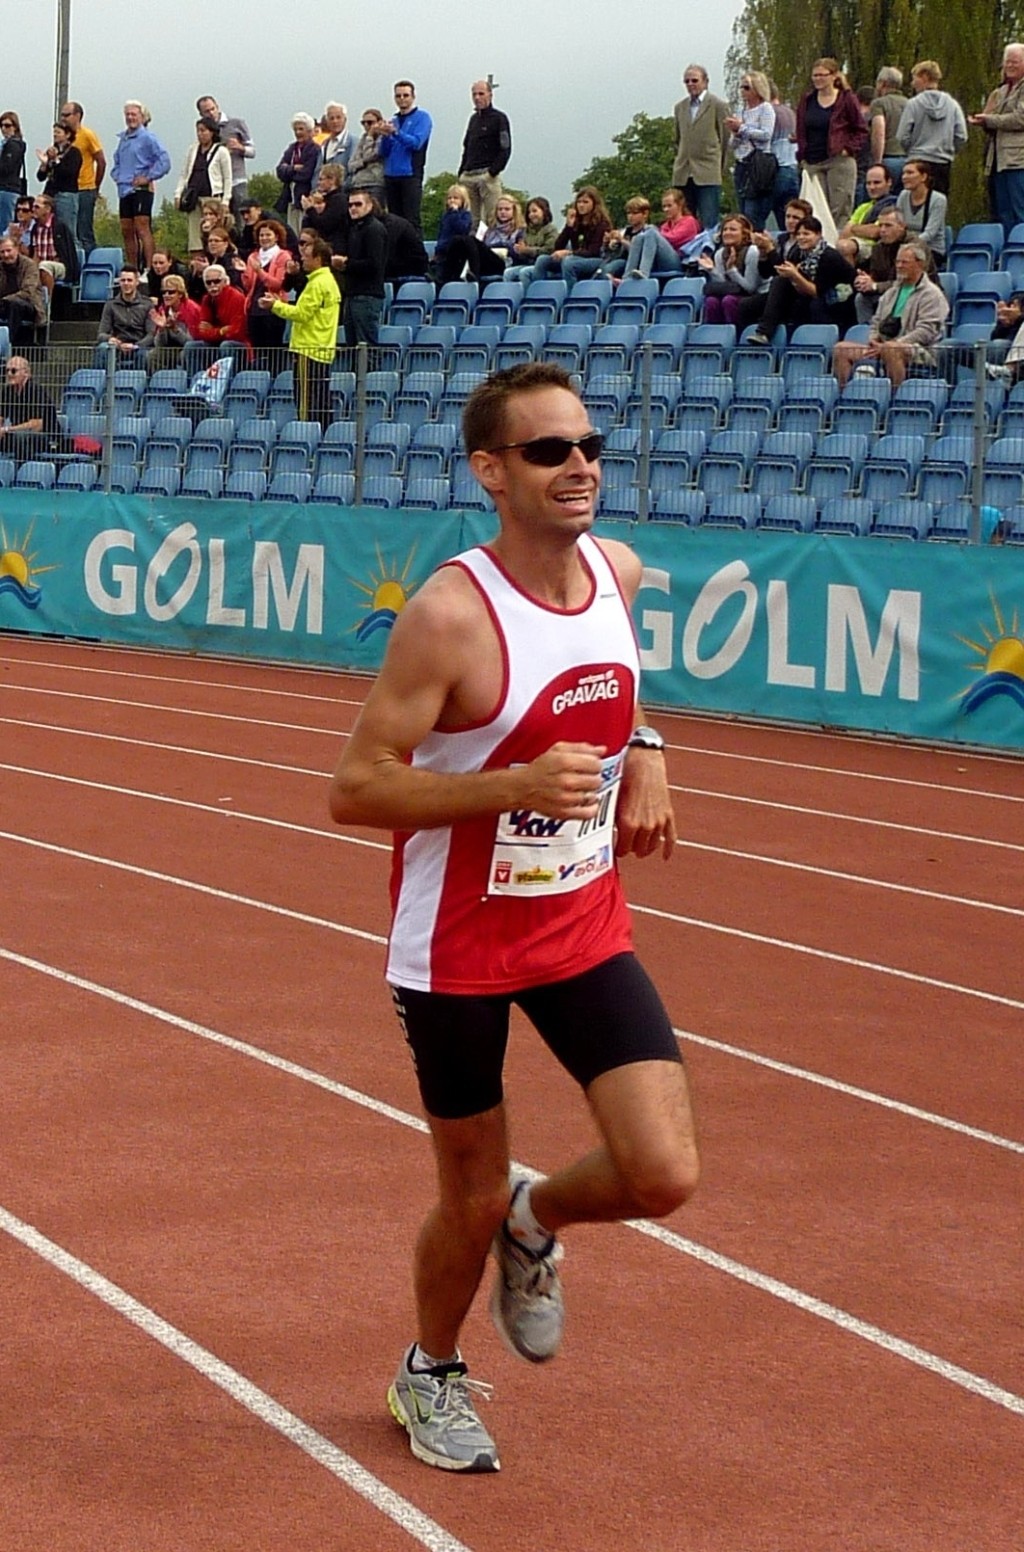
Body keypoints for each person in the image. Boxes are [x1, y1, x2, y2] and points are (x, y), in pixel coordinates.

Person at [328, 360, 699, 1476]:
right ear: (491, 470)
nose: (578, 465)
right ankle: (428, 1370)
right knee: (466, 1188)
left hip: (582, 921)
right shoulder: (450, 615)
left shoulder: (617, 571)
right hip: (457, 947)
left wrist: (648, 751)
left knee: (660, 1173)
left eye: (587, 444)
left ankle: (535, 1223)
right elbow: (355, 787)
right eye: (548, 450)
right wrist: (512, 786)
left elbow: (618, 681)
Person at [834, 239, 948, 387]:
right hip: (883, 346)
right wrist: (874, 339)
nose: (899, 266)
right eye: (898, 262)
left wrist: (894, 344)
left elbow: (926, 331)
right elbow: (876, 321)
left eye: (905, 262)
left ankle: (895, 398)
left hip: (920, 351)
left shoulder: (932, 294)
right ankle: (846, 397)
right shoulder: (891, 292)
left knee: (891, 350)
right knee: (841, 349)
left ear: (920, 264)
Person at [261, 231, 340, 424]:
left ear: (318, 259)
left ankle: (308, 437)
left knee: (306, 401)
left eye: (306, 256)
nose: (302, 259)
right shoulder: (329, 281)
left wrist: (275, 305)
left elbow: (301, 314)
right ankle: (322, 435)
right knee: (320, 399)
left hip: (308, 349)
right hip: (322, 347)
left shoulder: (316, 284)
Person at [746, 214, 856, 342]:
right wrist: (764, 252)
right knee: (748, 304)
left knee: (791, 292)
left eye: (806, 234)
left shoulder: (829, 256)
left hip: (834, 300)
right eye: (799, 234)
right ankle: (754, 337)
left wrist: (794, 275)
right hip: (805, 294)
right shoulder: (798, 252)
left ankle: (766, 333)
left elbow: (816, 292)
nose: (801, 238)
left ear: (819, 235)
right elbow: (774, 271)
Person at [795, 59, 866, 226]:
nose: (818, 79)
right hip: (812, 160)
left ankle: (838, 244)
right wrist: (801, 154)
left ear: (834, 76)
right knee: (814, 208)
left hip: (838, 160)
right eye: (815, 75)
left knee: (839, 208)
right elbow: (801, 128)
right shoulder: (807, 100)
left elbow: (861, 129)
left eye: (822, 75)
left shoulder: (846, 99)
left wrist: (848, 148)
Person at [969, 43, 1024, 238]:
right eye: (1007, 61)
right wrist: (983, 121)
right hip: (998, 160)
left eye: (1015, 61)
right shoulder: (1001, 91)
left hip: (1018, 159)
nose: (1010, 65)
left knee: (1020, 209)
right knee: (1003, 212)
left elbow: (1020, 118)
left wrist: (989, 119)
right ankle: (1008, 250)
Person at [111, 101, 171, 269]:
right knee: (126, 229)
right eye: (128, 114)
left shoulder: (148, 138)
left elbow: (164, 160)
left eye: (134, 114)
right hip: (124, 190)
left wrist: (149, 177)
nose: (130, 118)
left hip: (141, 189)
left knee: (142, 227)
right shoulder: (123, 139)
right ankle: (132, 267)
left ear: (142, 117)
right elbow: (117, 161)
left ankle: (149, 268)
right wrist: (116, 175)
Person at [671, 64, 728, 232]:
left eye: (694, 80)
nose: (690, 84)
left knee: (710, 221)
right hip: (683, 172)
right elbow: (678, 139)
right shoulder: (680, 107)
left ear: (705, 82)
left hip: (707, 173)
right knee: (685, 222)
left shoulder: (718, 105)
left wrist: (718, 167)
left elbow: (725, 140)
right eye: (687, 81)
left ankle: (707, 255)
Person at [896, 61, 967, 195]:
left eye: (914, 78)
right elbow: (961, 135)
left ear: (924, 76)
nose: (912, 83)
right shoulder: (952, 105)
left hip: (918, 161)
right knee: (938, 203)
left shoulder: (913, 104)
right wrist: (949, 150)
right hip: (943, 162)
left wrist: (912, 150)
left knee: (916, 204)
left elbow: (902, 135)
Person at [378, 80, 432, 235]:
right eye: (398, 96)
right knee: (394, 220)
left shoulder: (423, 118)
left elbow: (416, 143)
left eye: (405, 95)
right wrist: (385, 135)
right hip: (391, 175)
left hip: (410, 174)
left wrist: (396, 133)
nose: (402, 99)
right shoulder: (393, 120)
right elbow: (384, 151)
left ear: (413, 97)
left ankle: (416, 255)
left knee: (411, 219)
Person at [533, 186, 612, 291]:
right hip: (574, 257)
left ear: (594, 204)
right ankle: (539, 293)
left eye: (585, 202)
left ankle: (571, 295)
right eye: (579, 202)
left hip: (594, 260)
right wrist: (568, 227)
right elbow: (558, 246)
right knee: (542, 260)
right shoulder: (576, 222)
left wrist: (569, 253)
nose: (581, 205)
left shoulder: (601, 224)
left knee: (569, 262)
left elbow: (593, 251)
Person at [457, 80, 512, 226]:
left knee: (492, 219)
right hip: (468, 176)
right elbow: (467, 147)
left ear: (490, 95)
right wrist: (461, 173)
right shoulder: (473, 119)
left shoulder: (499, 118)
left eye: (481, 94)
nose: (477, 98)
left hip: (487, 175)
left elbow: (505, 148)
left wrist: (492, 173)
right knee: (471, 221)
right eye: (474, 94)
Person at [175, 117, 232, 255]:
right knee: (195, 236)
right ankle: (197, 261)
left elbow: (227, 177)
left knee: (214, 233)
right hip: (194, 198)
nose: (200, 134)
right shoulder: (193, 150)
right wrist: (178, 194)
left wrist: (225, 201)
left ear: (212, 132)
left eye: (203, 131)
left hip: (212, 198)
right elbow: (184, 174)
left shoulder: (221, 151)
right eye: (198, 131)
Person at [726, 71, 776, 228]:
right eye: (741, 87)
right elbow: (733, 144)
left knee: (752, 211)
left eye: (747, 87)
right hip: (741, 164)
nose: (743, 91)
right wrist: (735, 133)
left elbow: (766, 135)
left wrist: (742, 128)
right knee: (741, 210)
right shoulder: (740, 110)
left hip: (758, 164)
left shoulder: (765, 109)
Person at [336, 191, 387, 345]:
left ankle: (369, 370)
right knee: (352, 345)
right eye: (350, 205)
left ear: (370, 206)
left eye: (358, 204)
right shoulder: (354, 229)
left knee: (366, 346)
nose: (353, 208)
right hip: (353, 293)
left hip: (367, 295)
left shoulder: (374, 229)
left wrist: (346, 263)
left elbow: (374, 264)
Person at [241, 217, 292, 362]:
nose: (264, 238)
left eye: (268, 234)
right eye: (261, 235)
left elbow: (277, 284)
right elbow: (249, 285)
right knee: (258, 349)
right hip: (254, 308)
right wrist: (244, 274)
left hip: (274, 308)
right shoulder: (253, 256)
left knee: (273, 350)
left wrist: (260, 271)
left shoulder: (283, 256)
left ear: (276, 237)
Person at [196, 96, 254, 219]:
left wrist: (240, 147)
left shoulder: (236, 123)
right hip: (216, 185)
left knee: (242, 218)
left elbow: (252, 151)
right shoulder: (204, 131)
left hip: (237, 179)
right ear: (201, 114)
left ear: (217, 107)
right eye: (206, 111)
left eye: (213, 109)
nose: (211, 113)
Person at [698, 213, 762, 325]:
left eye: (733, 229)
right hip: (734, 293)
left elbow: (750, 288)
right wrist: (712, 270)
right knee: (711, 301)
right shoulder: (720, 254)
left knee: (729, 300)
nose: (727, 233)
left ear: (744, 234)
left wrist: (731, 270)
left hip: (755, 298)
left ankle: (735, 334)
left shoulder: (752, 252)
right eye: (725, 229)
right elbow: (725, 286)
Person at [60, 102, 105, 255]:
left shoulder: (87, 135)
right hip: (68, 189)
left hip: (85, 188)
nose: (63, 119)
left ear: (77, 116)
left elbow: (101, 161)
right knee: (69, 231)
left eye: (67, 115)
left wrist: (95, 186)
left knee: (84, 230)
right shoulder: (63, 138)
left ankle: (90, 265)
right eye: (62, 115)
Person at [851, 207, 908, 324]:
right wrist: (866, 280)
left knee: (891, 299)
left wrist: (875, 286)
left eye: (888, 226)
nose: (882, 230)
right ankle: (867, 333)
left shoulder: (914, 248)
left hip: (913, 294)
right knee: (861, 299)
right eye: (880, 225)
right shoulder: (878, 248)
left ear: (902, 227)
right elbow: (876, 277)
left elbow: (906, 284)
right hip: (887, 292)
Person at [0, 354, 59, 458]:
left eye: (13, 371)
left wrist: (7, 429)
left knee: (20, 437)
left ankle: (24, 469)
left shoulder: (36, 391)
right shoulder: (7, 391)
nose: (9, 374)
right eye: (7, 371)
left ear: (26, 373)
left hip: (45, 437)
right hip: (17, 433)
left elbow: (37, 425)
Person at [95, 265, 156, 365]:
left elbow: (151, 334)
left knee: (144, 354)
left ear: (137, 282)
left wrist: (135, 345)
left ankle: (139, 380)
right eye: (123, 280)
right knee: (102, 348)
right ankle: (99, 379)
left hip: (138, 347)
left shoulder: (147, 304)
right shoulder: (111, 304)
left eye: (129, 280)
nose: (126, 283)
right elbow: (101, 334)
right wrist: (111, 339)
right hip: (117, 346)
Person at [895, 158, 948, 266]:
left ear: (923, 177)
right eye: (903, 173)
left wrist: (907, 246)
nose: (904, 177)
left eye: (910, 173)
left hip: (931, 249)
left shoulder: (938, 200)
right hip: (905, 246)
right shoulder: (903, 195)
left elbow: (930, 233)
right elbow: (898, 225)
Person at [277, 114, 321, 236]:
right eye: (295, 129)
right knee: (292, 231)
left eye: (301, 129)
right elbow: (279, 171)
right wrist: (294, 168)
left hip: (304, 197)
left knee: (304, 231)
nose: (298, 132)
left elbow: (306, 174)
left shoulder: (314, 149)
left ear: (309, 130)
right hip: (291, 199)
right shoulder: (292, 149)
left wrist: (288, 171)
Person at [147, 273, 202, 370]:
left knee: (185, 354)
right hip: (172, 349)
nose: (166, 295)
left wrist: (175, 329)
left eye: (171, 292)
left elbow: (191, 342)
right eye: (164, 292)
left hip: (191, 349)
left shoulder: (192, 309)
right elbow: (160, 345)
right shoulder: (163, 309)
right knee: (153, 355)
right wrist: (162, 329)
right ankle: (157, 384)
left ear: (180, 294)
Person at [26, 194, 80, 292]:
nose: (33, 209)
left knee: (44, 266)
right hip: (42, 265)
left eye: (37, 207)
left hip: (61, 266)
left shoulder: (59, 227)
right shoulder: (35, 229)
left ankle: (47, 302)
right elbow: (35, 253)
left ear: (47, 209)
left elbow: (67, 253)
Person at [840, 163, 898, 253]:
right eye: (868, 183)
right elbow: (845, 233)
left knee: (845, 247)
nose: (872, 187)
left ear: (889, 182)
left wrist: (854, 228)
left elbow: (875, 232)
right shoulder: (863, 207)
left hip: (878, 248)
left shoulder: (894, 204)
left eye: (877, 183)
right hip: (856, 244)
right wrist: (862, 229)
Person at [35, 122, 81, 233]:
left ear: (68, 134)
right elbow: (40, 177)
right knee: (50, 229)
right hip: (50, 194)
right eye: (54, 132)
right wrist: (44, 164)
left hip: (66, 195)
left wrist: (56, 160)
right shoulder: (51, 151)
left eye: (58, 132)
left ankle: (73, 250)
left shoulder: (74, 153)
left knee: (67, 231)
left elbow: (69, 172)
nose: (55, 135)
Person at [868, 68, 909, 189]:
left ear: (883, 83)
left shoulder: (879, 103)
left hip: (888, 157)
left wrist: (877, 162)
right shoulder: (910, 103)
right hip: (909, 160)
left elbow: (879, 132)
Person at [0, 235, 44, 344]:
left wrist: (6, 300)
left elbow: (28, 291)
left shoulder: (29, 266)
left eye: (9, 251)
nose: (6, 255)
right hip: (3, 304)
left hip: (27, 305)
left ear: (17, 249)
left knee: (15, 304)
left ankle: (7, 343)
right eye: (2, 252)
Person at [504, 197, 559, 284]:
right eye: (529, 212)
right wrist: (519, 251)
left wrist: (527, 250)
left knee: (525, 272)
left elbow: (549, 250)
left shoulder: (551, 229)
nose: (531, 215)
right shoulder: (526, 231)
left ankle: (528, 296)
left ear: (544, 212)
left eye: (534, 211)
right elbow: (523, 253)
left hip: (545, 266)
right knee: (508, 273)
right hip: (528, 263)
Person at [431, 184, 474, 283]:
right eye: (449, 198)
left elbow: (462, 229)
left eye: (456, 198)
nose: (452, 201)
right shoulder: (445, 216)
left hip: (455, 251)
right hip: (442, 251)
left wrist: (455, 213)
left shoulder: (465, 215)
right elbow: (441, 233)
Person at [347, 109, 387, 209]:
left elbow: (370, 155)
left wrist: (370, 137)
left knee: (375, 214)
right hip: (358, 183)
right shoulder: (363, 139)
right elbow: (351, 164)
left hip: (374, 183)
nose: (366, 126)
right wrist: (363, 162)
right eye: (363, 123)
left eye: (370, 122)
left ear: (379, 122)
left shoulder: (383, 138)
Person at [0, 112, 26, 234]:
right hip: (6, 189)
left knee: (5, 227)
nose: (4, 129)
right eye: (2, 126)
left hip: (7, 189)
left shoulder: (14, 145)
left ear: (15, 127)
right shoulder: (5, 145)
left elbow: (7, 167)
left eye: (8, 125)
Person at [315, 102, 353, 175]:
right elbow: (317, 171)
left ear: (345, 119)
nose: (335, 121)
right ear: (327, 121)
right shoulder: (324, 145)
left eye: (338, 117)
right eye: (331, 118)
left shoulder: (353, 143)